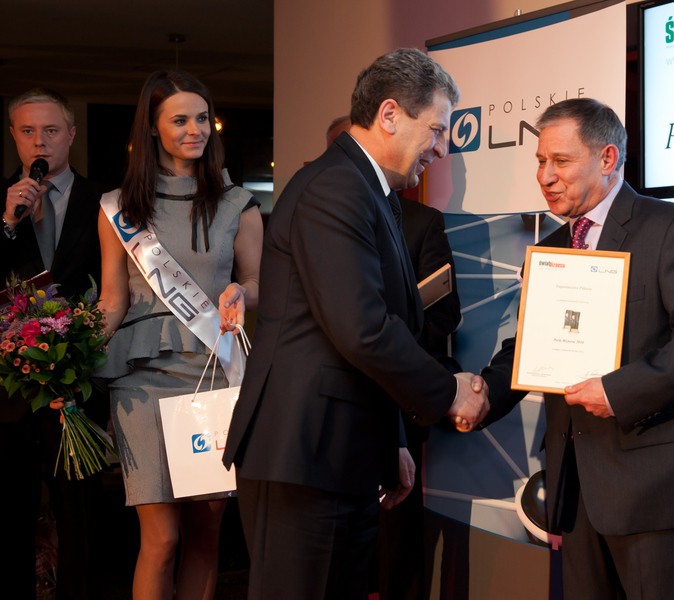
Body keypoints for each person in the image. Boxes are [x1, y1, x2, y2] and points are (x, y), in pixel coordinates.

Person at [223, 48, 486, 600]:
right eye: (437, 129)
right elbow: (362, 329)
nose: (442, 148)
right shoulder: (336, 187)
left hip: (340, 455)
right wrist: (447, 391)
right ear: (389, 115)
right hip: (304, 455)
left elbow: (367, 331)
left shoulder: (370, 191)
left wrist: (392, 442)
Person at [479, 98, 674, 599]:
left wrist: (617, 391)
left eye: (561, 161)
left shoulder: (671, 227)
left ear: (607, 158)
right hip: (575, 493)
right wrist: (480, 394)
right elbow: (531, 347)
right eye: (540, 161)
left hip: (653, 491)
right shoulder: (552, 247)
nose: (545, 176)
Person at [95, 70, 263, 600]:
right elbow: (112, 301)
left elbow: (259, 283)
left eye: (202, 119)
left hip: (211, 371)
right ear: (152, 127)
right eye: (180, 120)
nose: (196, 130)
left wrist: (241, 294)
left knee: (205, 534)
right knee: (161, 538)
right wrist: (67, 360)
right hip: (141, 377)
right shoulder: (118, 207)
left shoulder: (238, 204)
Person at [326, 113, 463, 599]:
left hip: (399, 405)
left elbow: (444, 315)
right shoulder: (322, 214)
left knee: (396, 542)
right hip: (334, 408)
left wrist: (392, 333)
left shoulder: (422, 222)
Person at [0, 88, 106, 599]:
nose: (39, 141)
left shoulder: (105, 201)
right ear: (14, 137)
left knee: (80, 510)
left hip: (78, 379)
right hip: (10, 386)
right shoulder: (3, 200)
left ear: (71, 134)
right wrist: (6, 223)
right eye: (27, 131)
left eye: (50, 130)